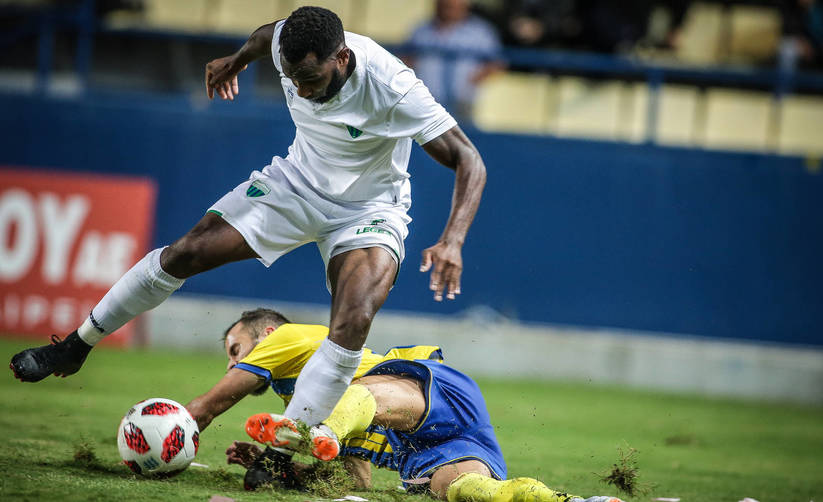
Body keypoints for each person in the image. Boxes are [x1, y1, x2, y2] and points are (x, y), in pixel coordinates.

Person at [9, 6, 487, 431]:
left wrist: (453, 240)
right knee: (187, 251)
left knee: (353, 318)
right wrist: (234, 61)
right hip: (297, 183)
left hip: (369, 209)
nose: (301, 89)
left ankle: (283, 446)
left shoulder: (394, 88)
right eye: (293, 79)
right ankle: (74, 345)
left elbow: (470, 160)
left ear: (341, 58)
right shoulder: (287, 47)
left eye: (311, 80)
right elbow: (264, 36)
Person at [183, 308, 623, 502]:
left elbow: (214, 402)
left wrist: (182, 423)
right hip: (435, 443)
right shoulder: (300, 394)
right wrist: (285, 471)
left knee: (358, 396)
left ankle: (312, 433)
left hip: (425, 392)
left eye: (235, 348)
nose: (232, 360)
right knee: (467, 492)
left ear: (264, 337)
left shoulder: (290, 338)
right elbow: (354, 479)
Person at [403, 0, 505, 121]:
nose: (448, 10)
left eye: (452, 6)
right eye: (444, 5)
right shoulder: (421, 30)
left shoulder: (480, 32)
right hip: (426, 102)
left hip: (463, 102)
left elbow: (496, 63)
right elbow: (406, 58)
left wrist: (473, 82)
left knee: (463, 136)